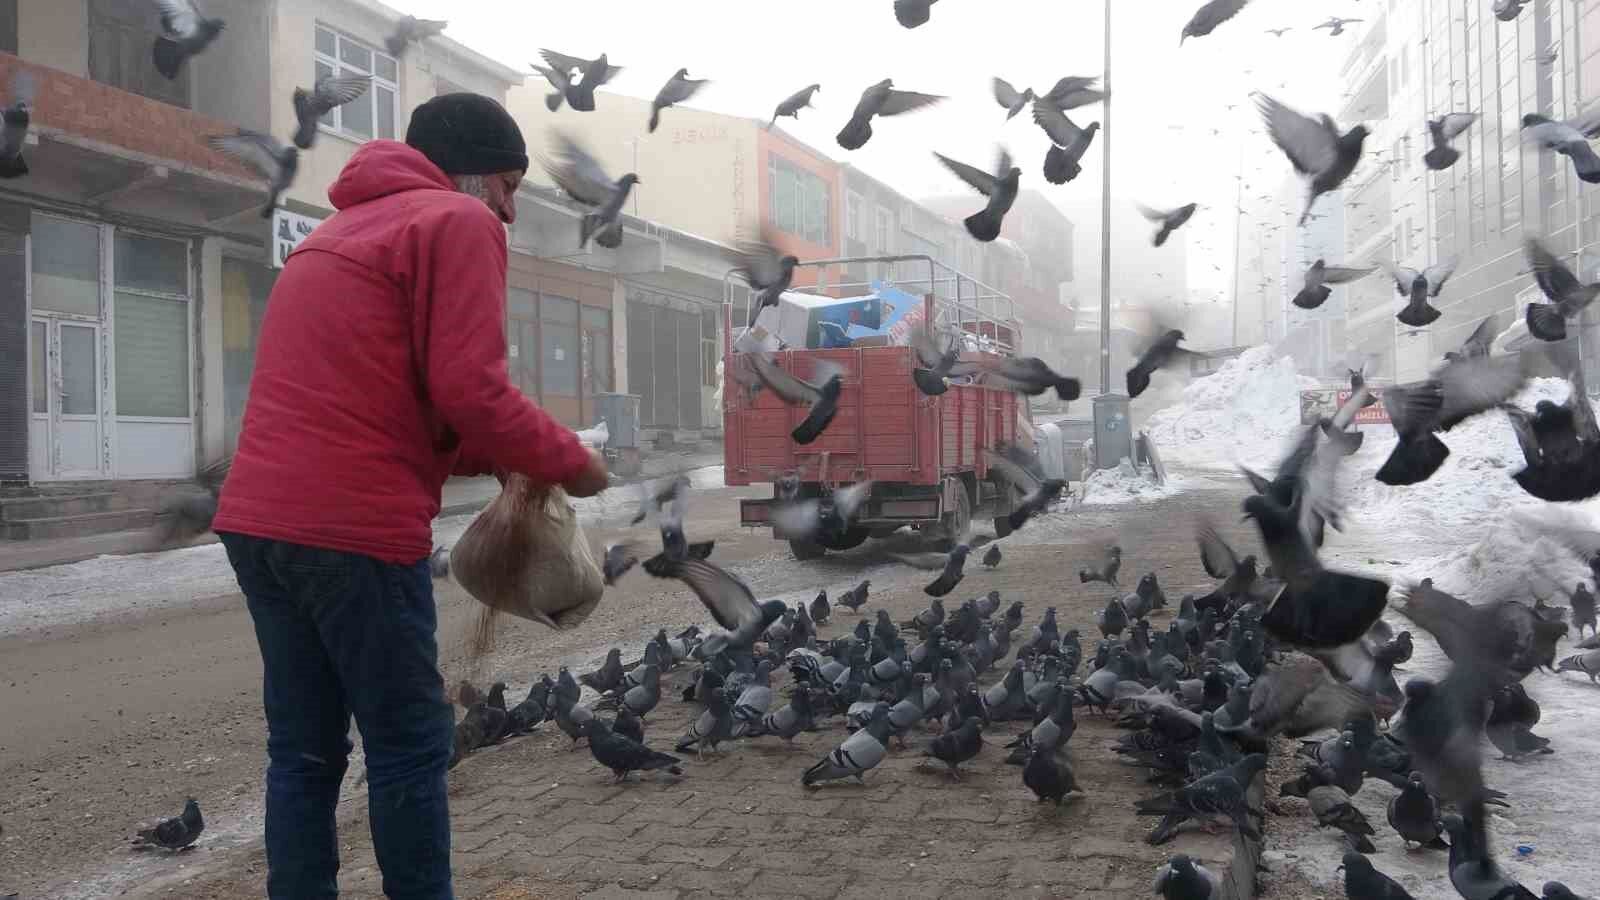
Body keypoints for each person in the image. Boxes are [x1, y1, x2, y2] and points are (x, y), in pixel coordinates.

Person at [213, 93, 607, 900]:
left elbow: (388, 397)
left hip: (257, 524)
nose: (507, 207)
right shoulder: (453, 222)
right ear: (468, 176)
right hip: (352, 530)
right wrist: (568, 460)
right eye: (505, 183)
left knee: (304, 750)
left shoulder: (332, 236)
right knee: (409, 743)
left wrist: (496, 460)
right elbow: (470, 387)